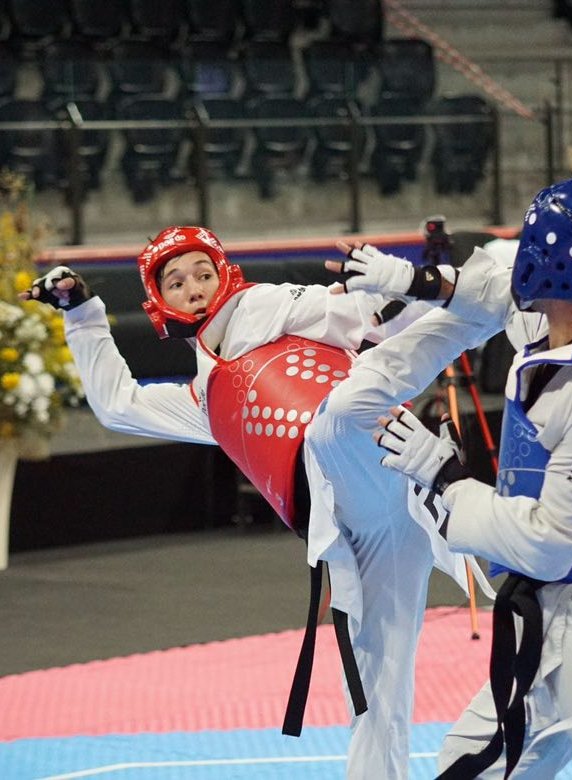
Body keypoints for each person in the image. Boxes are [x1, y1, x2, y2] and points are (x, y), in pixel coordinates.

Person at [21, 225, 490, 780]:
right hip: (364, 527)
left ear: (225, 274)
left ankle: (492, 296)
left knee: (337, 418)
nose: (193, 287)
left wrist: (386, 289)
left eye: (202, 272)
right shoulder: (207, 399)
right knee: (374, 684)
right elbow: (117, 405)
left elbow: (353, 313)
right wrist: (81, 313)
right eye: (176, 281)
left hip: (377, 447)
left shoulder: (262, 305)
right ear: (158, 300)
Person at [325, 172, 572, 778]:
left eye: (535, 241)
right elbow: (491, 294)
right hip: (546, 609)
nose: (523, 256)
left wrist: (441, 473)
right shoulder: (554, 324)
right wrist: (407, 279)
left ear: (553, 260)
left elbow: (550, 543)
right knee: (468, 765)